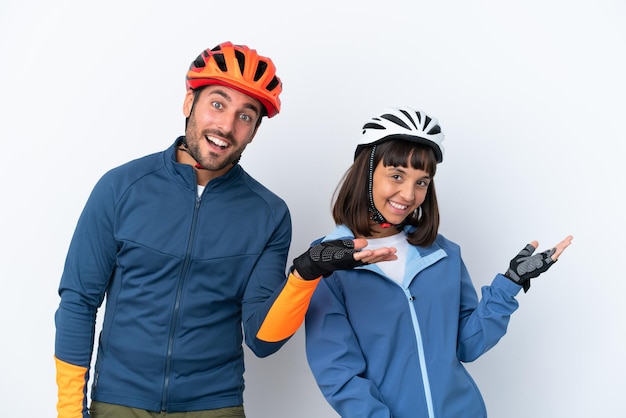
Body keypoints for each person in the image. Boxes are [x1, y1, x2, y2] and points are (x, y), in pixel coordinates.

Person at [53, 41, 395, 418]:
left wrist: (306, 273)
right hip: (120, 401)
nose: (227, 126)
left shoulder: (268, 213)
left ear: (254, 131)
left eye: (245, 116)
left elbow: (262, 340)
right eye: (217, 104)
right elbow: (78, 302)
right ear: (189, 104)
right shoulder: (120, 188)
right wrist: (70, 410)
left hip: (215, 405)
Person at [300, 106, 574, 418]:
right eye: (397, 176)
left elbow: (467, 346)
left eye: (422, 182)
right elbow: (338, 372)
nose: (409, 193)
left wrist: (509, 284)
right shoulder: (327, 261)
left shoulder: (443, 253)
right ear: (367, 173)